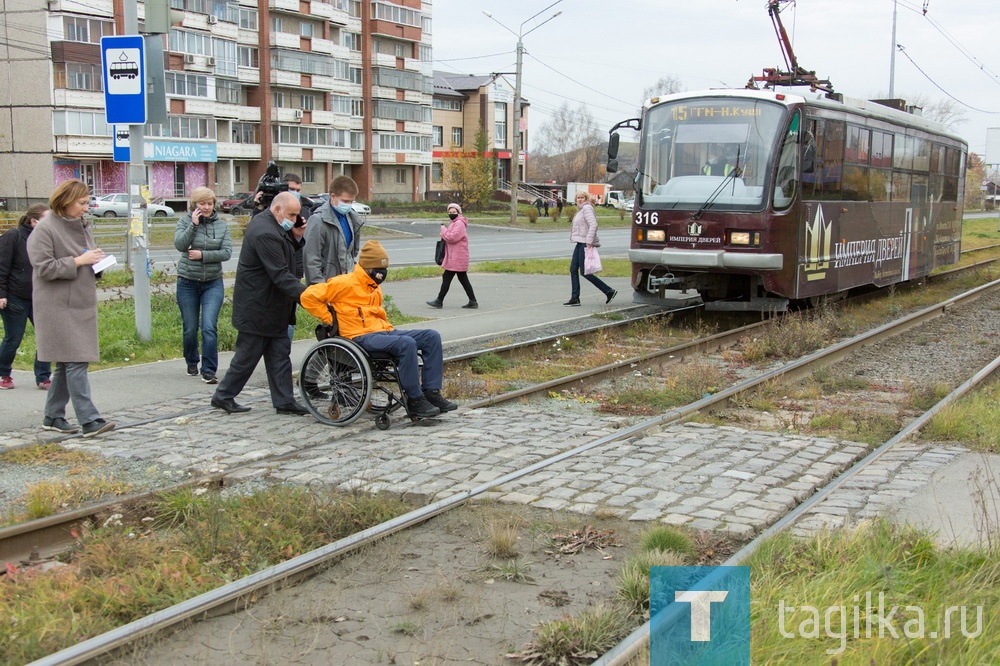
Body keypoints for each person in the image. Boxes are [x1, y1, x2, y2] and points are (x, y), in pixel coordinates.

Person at [300, 240, 457, 419]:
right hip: (359, 336)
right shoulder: (343, 283)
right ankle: (414, 399)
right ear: (367, 267)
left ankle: (431, 392)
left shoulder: (374, 287)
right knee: (406, 344)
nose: (382, 273)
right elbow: (308, 297)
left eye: (384, 268)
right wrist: (331, 319)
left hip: (382, 331)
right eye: (378, 268)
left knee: (431, 337)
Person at [26, 179, 115, 437]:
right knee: (76, 361)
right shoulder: (44, 229)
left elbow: (86, 258)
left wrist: (97, 263)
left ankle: (53, 416)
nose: (87, 207)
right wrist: (79, 260)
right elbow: (44, 267)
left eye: (88, 202)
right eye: (82, 202)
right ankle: (90, 420)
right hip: (57, 306)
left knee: (66, 364)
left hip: (79, 303)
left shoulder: (80, 225)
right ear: (66, 201)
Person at [210, 191, 308, 416]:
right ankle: (223, 396)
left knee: (280, 355)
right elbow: (281, 274)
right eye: (292, 215)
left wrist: (297, 237)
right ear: (277, 210)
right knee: (247, 357)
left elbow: (292, 264)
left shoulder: (274, 226)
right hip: (258, 307)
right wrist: (310, 297)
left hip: (273, 306)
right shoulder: (265, 232)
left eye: (297, 215)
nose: (295, 219)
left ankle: (284, 401)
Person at [173, 186, 232, 384]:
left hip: (212, 283)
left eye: (209, 203)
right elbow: (180, 245)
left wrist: (203, 255)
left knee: (209, 326)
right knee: (190, 328)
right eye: (202, 204)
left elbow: (226, 253)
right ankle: (191, 360)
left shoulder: (222, 225)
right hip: (187, 282)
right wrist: (194, 225)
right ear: (194, 205)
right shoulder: (185, 221)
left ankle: (209, 370)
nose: (206, 207)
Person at [0, 203, 52, 390]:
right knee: (13, 338)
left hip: (41, 296)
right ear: (34, 221)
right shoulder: (14, 236)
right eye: (48, 220)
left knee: (46, 337)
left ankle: (43, 376)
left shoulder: (47, 239)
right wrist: (2, 294)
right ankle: (3, 373)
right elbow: (2, 266)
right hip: (16, 296)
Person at [304, 175, 364, 285]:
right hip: (327, 287)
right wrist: (322, 289)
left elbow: (351, 255)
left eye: (352, 201)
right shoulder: (318, 220)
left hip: (347, 286)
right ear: (332, 196)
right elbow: (311, 260)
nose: (349, 205)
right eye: (345, 201)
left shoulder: (352, 219)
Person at [564, 191, 616, 307]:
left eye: (582, 197)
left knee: (585, 272)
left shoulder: (587, 208)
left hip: (585, 243)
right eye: (578, 198)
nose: (580, 199)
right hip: (580, 243)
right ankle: (575, 298)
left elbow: (593, 225)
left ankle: (608, 291)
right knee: (573, 269)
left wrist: (589, 241)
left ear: (586, 199)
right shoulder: (581, 210)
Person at [426, 203, 478, 310]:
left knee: (447, 277)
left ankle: (439, 301)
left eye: (454, 212)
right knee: (462, 279)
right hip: (455, 257)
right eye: (449, 212)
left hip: (457, 257)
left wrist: (443, 230)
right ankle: (473, 301)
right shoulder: (454, 223)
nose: (451, 214)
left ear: (459, 212)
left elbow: (452, 238)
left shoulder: (459, 223)